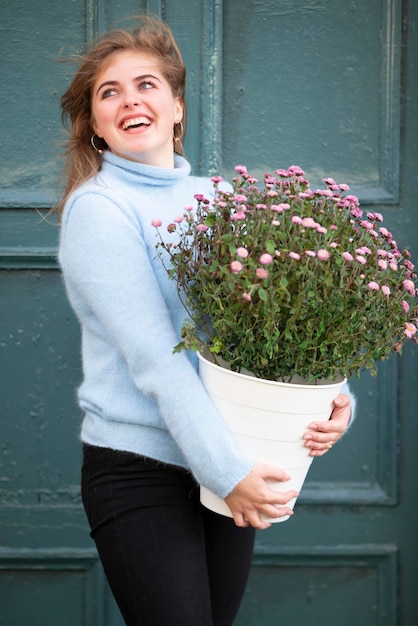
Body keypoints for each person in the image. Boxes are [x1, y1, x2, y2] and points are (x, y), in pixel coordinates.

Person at [55, 15, 353, 626]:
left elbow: (266, 331)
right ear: (95, 125)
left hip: (229, 459)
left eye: (146, 85)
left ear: (177, 107)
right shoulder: (100, 209)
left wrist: (330, 399)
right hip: (143, 471)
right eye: (109, 92)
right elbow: (158, 360)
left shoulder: (219, 202)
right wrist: (230, 473)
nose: (130, 100)